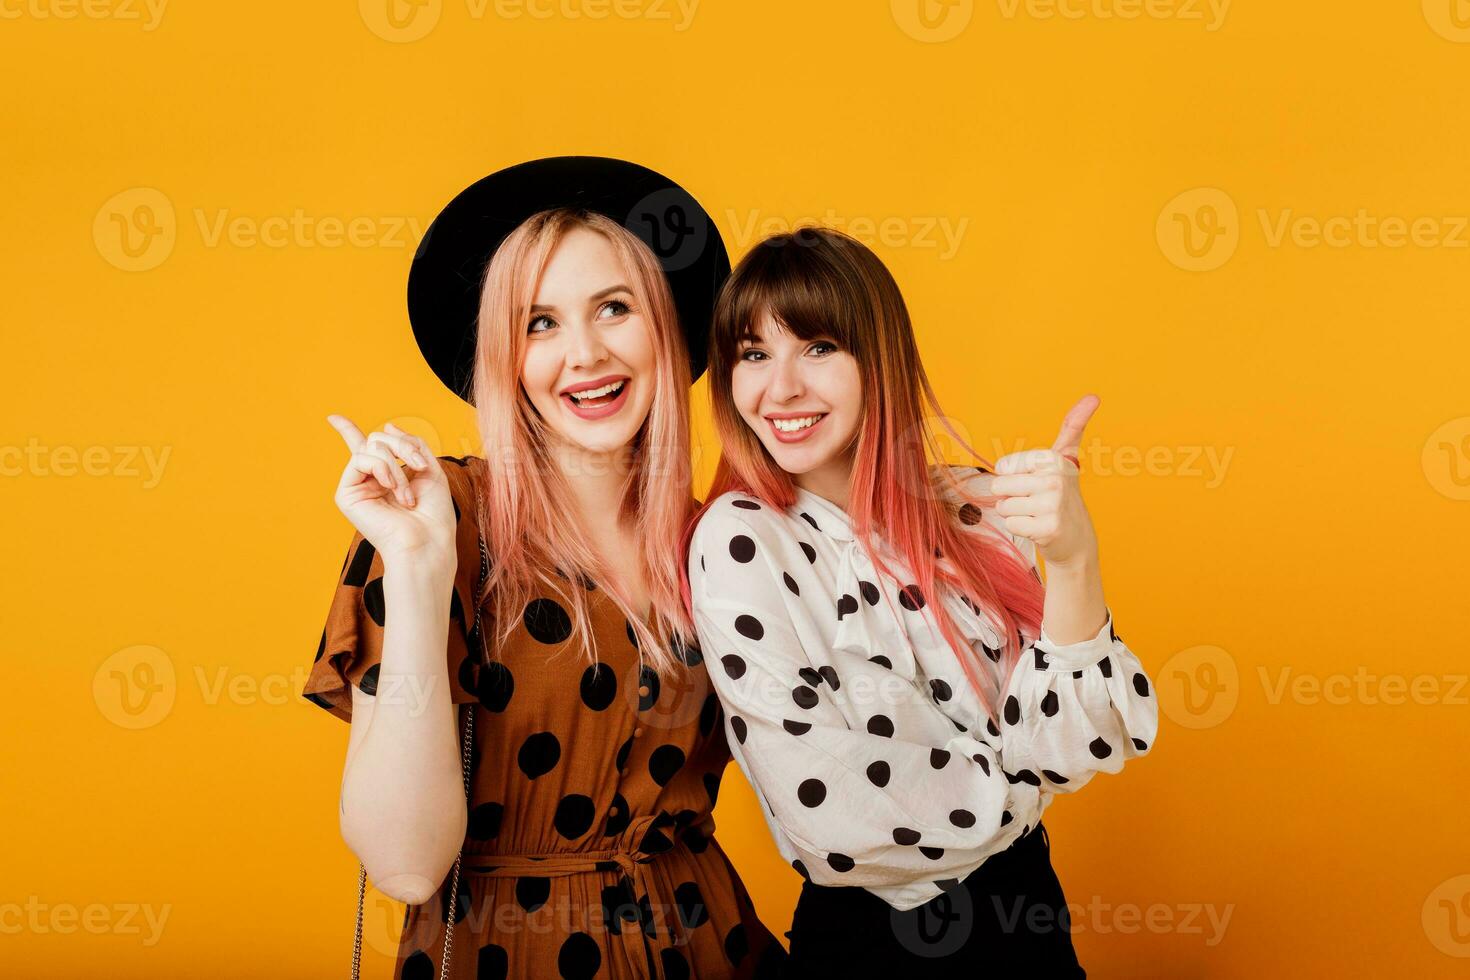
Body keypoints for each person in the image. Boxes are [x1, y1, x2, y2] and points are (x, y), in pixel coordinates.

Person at [302, 157, 785, 979]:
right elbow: (406, 865)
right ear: (505, 357)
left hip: (708, 948)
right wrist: (418, 576)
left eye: (614, 308)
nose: (586, 354)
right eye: (540, 323)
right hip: (506, 955)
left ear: (664, 325)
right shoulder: (436, 516)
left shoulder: (723, 539)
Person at [680, 227, 1160, 976]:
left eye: (817, 347)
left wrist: (1072, 560)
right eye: (752, 355)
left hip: (1028, 916)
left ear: (880, 359)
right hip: (872, 945)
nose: (780, 389)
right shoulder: (739, 542)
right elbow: (829, 816)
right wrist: (1021, 776)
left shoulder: (973, 505)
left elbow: (1080, 739)